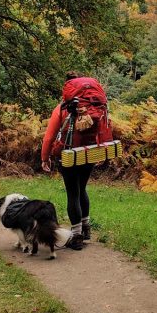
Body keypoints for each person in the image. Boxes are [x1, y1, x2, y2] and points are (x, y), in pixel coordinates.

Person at [41, 71, 101, 250]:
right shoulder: (95, 105)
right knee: (82, 188)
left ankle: (76, 236)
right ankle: (86, 228)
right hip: (89, 152)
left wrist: (45, 157)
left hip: (68, 154)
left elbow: (49, 136)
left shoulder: (63, 108)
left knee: (73, 192)